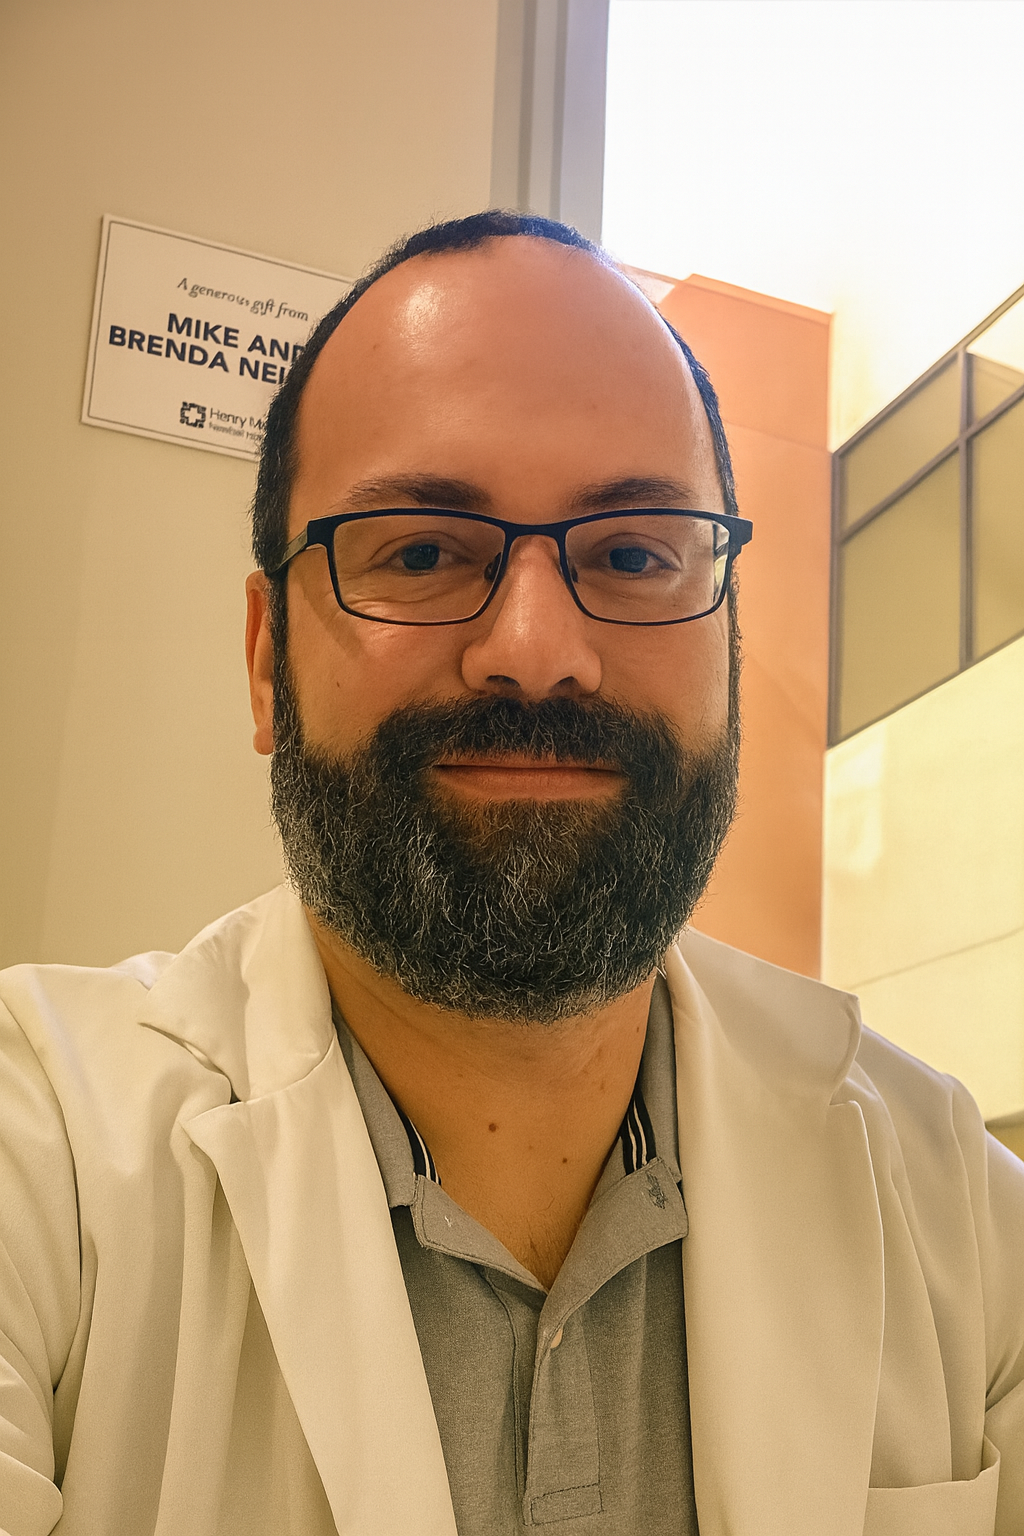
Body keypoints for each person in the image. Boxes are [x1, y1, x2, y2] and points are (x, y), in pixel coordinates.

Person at [1, 211, 1022, 1536]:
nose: (536, 651)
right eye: (421, 551)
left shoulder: (955, 1207)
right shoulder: (46, 1160)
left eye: (635, 554)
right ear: (266, 661)